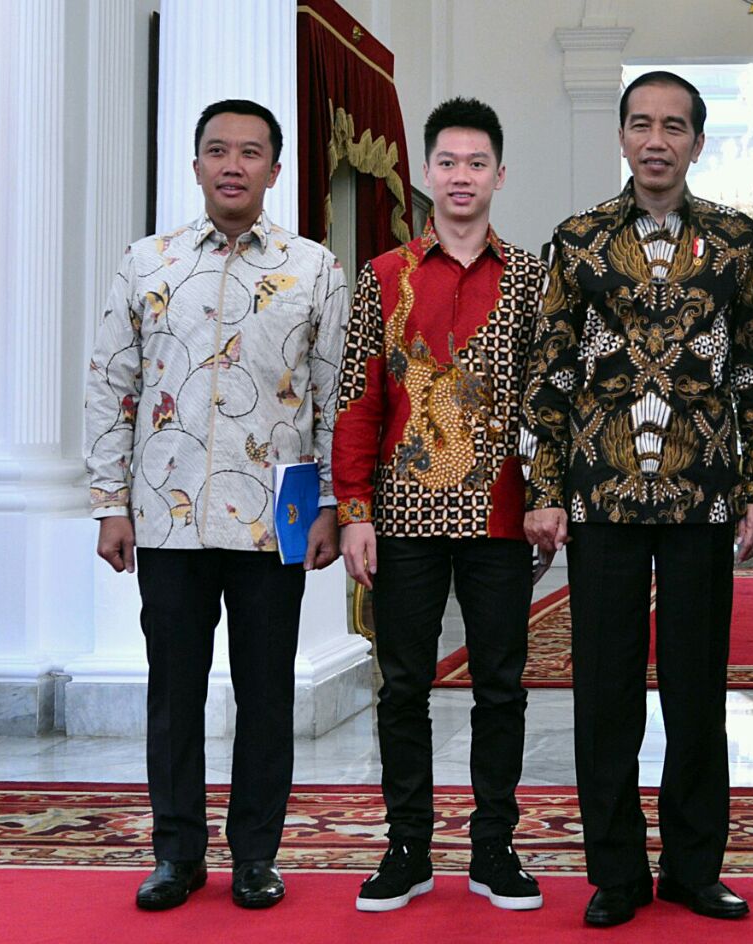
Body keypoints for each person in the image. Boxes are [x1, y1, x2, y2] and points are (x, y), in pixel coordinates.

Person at [522, 71, 753, 928]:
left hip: (703, 497)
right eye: (642, 124)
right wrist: (546, 490)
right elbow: (551, 374)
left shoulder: (736, 241)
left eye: (675, 126)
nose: (657, 140)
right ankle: (617, 873)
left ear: (698, 142)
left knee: (697, 687)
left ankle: (694, 869)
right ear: (623, 138)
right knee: (604, 690)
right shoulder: (581, 239)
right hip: (601, 499)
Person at [85, 99, 346, 911]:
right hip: (165, 515)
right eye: (217, 150)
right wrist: (109, 503)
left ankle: (257, 857)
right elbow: (112, 385)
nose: (232, 164)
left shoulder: (314, 270)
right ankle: (176, 854)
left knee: (267, 689)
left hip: (277, 518)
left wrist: (336, 502)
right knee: (175, 690)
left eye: (250, 152)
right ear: (195, 164)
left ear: (276, 168)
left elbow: (336, 397)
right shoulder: (147, 262)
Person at [333, 97, 546, 914]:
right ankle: (407, 848)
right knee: (402, 687)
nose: (462, 177)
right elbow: (358, 400)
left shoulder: (531, 279)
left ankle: (494, 848)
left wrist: (547, 499)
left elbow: (549, 404)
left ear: (499, 174)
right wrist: (354, 511)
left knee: (502, 687)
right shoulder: (384, 277)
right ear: (427, 173)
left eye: (477, 163)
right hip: (402, 520)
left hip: (501, 518)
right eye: (448, 163)